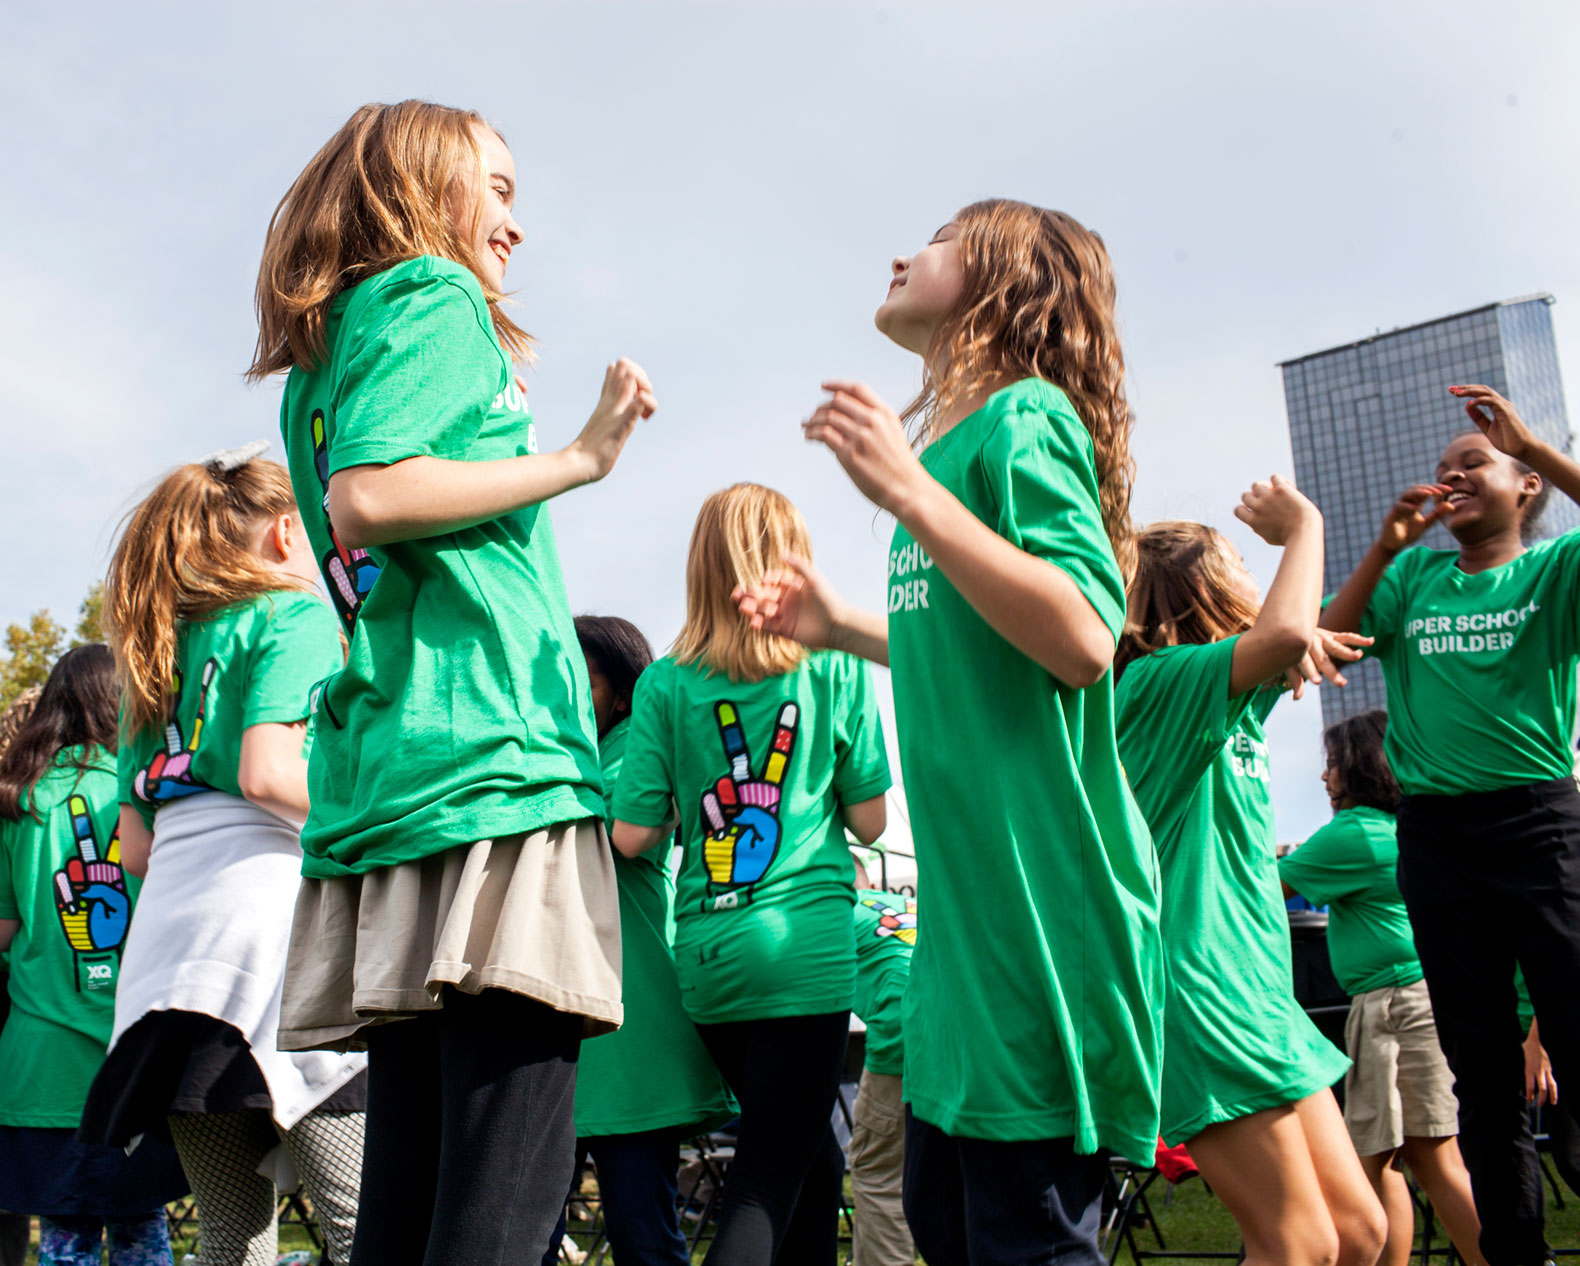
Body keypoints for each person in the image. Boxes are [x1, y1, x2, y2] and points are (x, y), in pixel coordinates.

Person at [251, 99, 653, 1266]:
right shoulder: (434, 296)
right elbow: (368, 497)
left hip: (401, 778)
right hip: (492, 769)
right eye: (498, 187)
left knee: (414, 1187)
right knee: (501, 1185)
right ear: (424, 187)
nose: (514, 227)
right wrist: (576, 459)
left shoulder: (321, 364)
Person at [735, 200, 1164, 1265]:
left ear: (1003, 285)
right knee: (941, 1220)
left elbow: (1077, 634)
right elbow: (976, 644)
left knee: (1023, 1237)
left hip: (1038, 919)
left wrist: (909, 496)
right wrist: (839, 624)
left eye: (934, 240)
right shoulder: (960, 451)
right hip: (965, 936)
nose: (897, 251)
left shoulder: (1023, 419)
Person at [77, 452, 366, 1266]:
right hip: (265, 956)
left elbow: (136, 847)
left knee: (233, 1239)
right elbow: (268, 772)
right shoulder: (292, 614)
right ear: (284, 532)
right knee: (362, 1226)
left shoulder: (155, 652)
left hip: (165, 971)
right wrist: (372, 811)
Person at [1319, 384, 1580, 1266]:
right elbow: (1329, 642)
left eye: (1473, 463)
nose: (1452, 477)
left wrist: (1531, 443)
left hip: (1542, 825)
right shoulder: (1415, 580)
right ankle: (1515, 1254)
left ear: (1525, 488)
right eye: (1441, 473)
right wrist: (1384, 548)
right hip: (1440, 842)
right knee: (1481, 1069)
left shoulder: (1555, 570)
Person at [612, 484, 890, 1266]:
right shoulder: (833, 662)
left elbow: (632, 835)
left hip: (707, 958)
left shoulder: (664, 684)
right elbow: (872, 823)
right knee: (768, 1179)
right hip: (802, 949)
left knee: (808, 1160)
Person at [1113, 485, 1386, 1266]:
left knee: (1359, 1235)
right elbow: (1287, 631)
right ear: (1196, 596)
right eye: (1235, 571)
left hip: (1258, 993)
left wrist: (1386, 546)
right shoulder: (1155, 685)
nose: (1251, 589)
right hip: (1200, 991)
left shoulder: (1225, 700)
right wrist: (1305, 525)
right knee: (1295, 1246)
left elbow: (1308, 632)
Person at [542, 615, 733, 1266]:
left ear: (623, 694)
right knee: (525, 1237)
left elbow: (604, 825)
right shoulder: (567, 753)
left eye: (581, 678)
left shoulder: (635, 751)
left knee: (644, 1238)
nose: (563, 691)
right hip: (556, 1033)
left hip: (628, 1040)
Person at [0, 648, 187, 1265]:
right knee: (142, 1233)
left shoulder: (16, 801)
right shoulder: (148, 788)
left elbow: (3, 932)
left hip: (42, 1060)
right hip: (137, 1053)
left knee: (63, 1240)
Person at [1279, 710, 1485, 1266]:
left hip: (1392, 1008)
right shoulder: (1396, 829)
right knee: (1412, 1161)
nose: (1325, 778)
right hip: (1417, 1000)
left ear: (1360, 768)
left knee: (1377, 1163)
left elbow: (1266, 888)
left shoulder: (1353, 834)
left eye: (1332, 766)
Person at [848, 867, 916, 1266]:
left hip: (902, 1028)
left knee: (879, 1174)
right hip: (972, 1026)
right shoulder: (908, 904)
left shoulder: (831, 909)